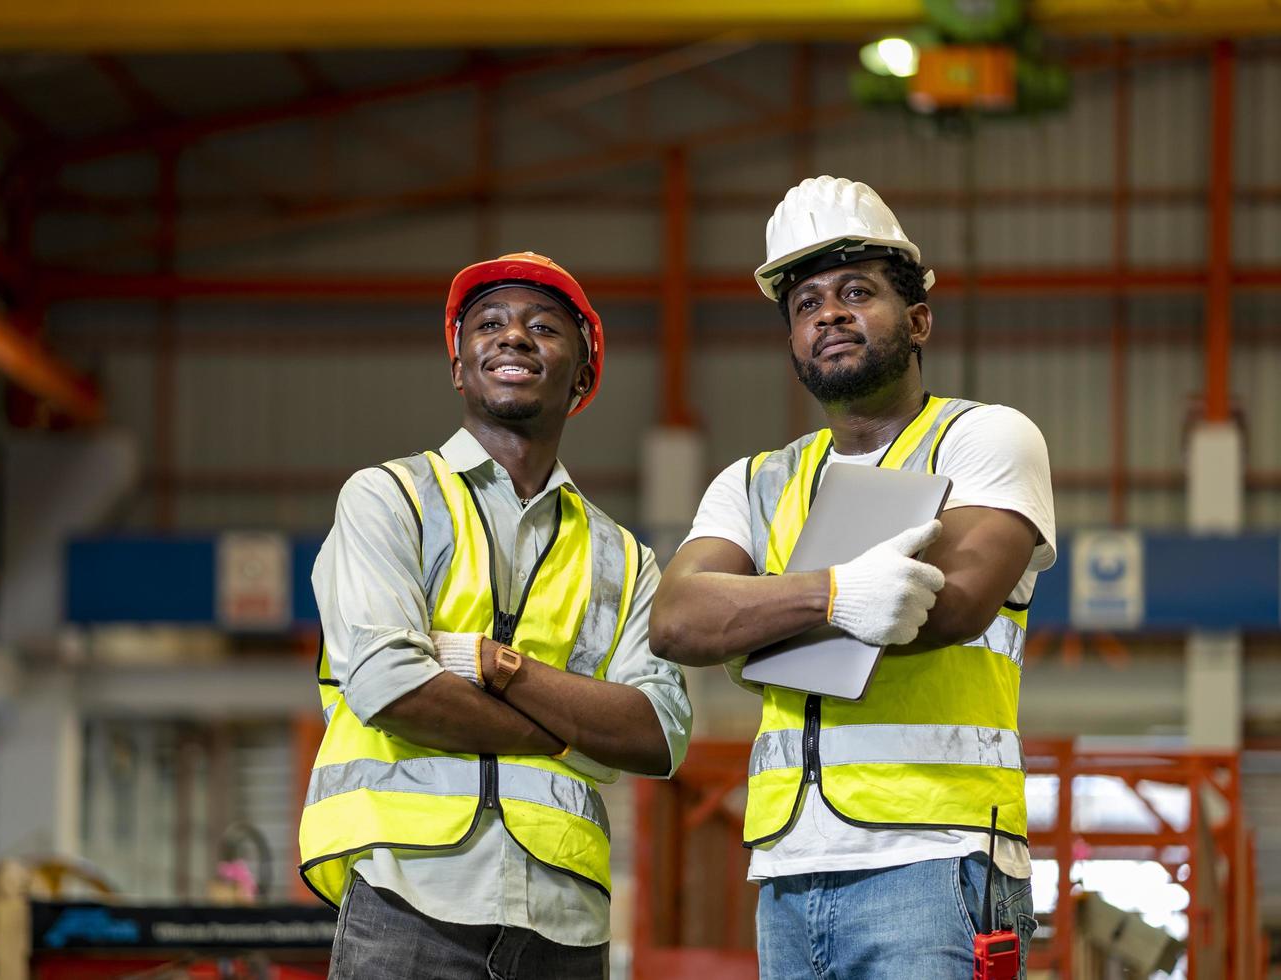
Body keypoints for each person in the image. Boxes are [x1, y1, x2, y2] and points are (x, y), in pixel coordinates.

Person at [650, 176, 1055, 979]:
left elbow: (951, 603)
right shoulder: (756, 481)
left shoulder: (983, 441)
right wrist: (836, 596)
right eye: (805, 304)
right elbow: (677, 623)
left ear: (919, 320)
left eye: (856, 292)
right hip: (787, 870)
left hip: (941, 857)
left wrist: (756, 617)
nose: (827, 313)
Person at [299, 251, 692, 980]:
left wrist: (494, 665)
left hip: (564, 922)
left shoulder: (624, 558)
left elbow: (658, 733)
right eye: (489, 323)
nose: (513, 336)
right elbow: (391, 684)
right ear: (459, 366)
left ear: (582, 377)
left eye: (543, 326)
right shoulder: (389, 499)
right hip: (408, 900)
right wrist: (568, 736)